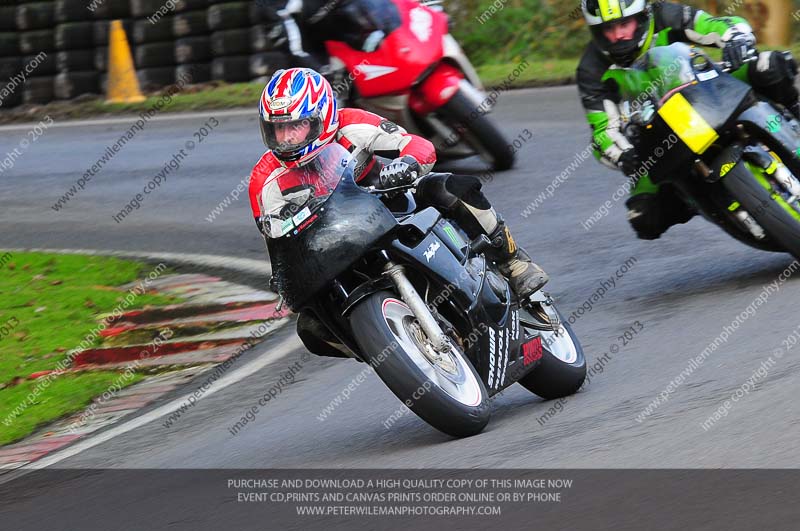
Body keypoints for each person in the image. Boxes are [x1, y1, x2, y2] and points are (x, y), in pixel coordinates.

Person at [248, 67, 547, 356]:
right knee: (311, 326)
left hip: (388, 202)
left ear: (323, 117)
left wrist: (407, 164)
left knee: (452, 188)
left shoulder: (351, 123)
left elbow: (415, 144)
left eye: (295, 126)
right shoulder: (264, 180)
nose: (286, 138)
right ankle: (384, 344)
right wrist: (285, 279)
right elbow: (275, 242)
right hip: (332, 244)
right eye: (277, 128)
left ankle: (513, 261)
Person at [578, 0, 799, 240]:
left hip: (710, 91)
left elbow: (717, 25)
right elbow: (602, 130)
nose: (619, 35)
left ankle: (793, 118)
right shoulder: (591, 69)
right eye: (609, 29)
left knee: (770, 65)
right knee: (644, 218)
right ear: (596, 32)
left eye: (624, 24)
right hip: (658, 134)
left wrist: (737, 39)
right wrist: (621, 154)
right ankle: (695, 197)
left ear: (642, 17)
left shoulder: (665, 14)